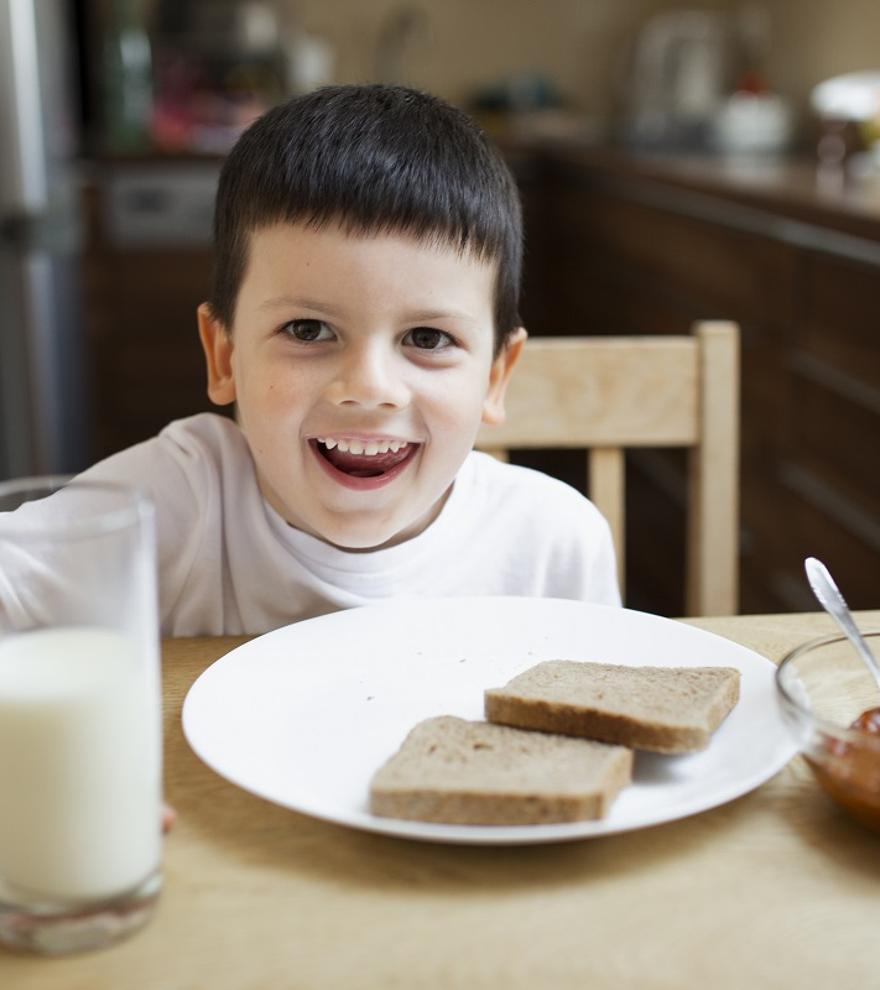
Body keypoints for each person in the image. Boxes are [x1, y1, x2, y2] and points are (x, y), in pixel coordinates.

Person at [1, 84, 620, 636]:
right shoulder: (184, 504)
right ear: (224, 356)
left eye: (427, 339)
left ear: (494, 376)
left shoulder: (549, 546)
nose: (370, 388)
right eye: (308, 329)